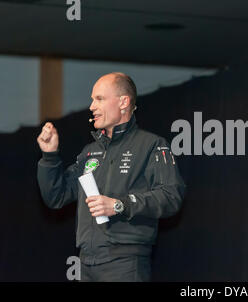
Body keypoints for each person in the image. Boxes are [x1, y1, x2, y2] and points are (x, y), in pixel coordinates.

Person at [37, 72, 185, 282]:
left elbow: (171, 196)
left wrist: (120, 205)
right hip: (86, 263)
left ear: (123, 102)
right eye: (92, 100)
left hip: (125, 263)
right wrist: (50, 156)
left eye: (99, 99)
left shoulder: (151, 145)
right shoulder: (90, 151)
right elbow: (56, 197)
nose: (91, 106)